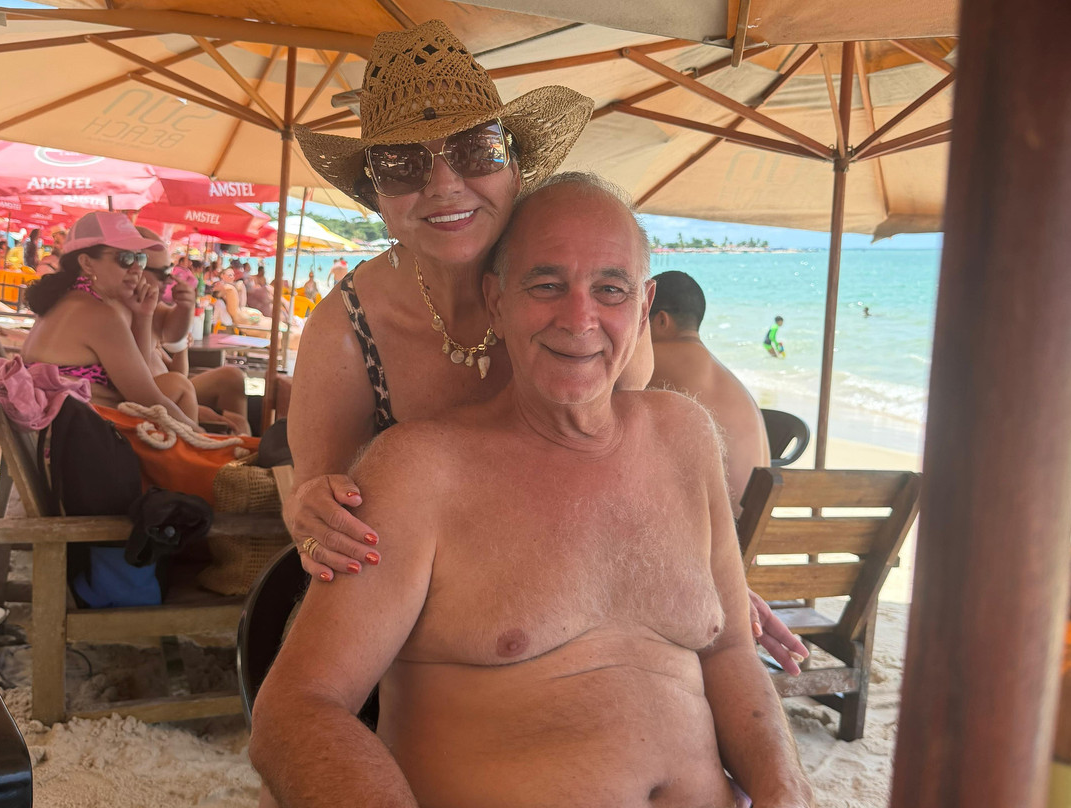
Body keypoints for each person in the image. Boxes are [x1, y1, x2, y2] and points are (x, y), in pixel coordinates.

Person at [250, 174, 814, 808]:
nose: (579, 319)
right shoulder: (419, 472)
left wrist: (785, 791)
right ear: (496, 301)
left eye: (611, 289)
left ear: (644, 306)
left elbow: (732, 650)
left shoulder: (685, 438)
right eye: (546, 285)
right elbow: (297, 707)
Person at [283, 19, 801, 675]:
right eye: (401, 164)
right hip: (420, 634)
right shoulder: (346, 330)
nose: (444, 185)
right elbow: (317, 517)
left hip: (574, 597)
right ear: (373, 194)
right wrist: (309, 517)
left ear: (516, 165)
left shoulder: (586, 311)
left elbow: (626, 478)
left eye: (476, 151)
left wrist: (703, 581)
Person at [20, 211, 201, 430]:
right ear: (87, 263)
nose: (136, 269)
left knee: (178, 387)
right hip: (78, 441)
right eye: (125, 259)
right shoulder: (99, 314)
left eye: (140, 259)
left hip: (61, 436)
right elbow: (147, 398)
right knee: (180, 389)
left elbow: (140, 381)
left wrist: (143, 316)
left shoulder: (67, 300)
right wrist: (203, 437)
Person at [648, 270, 771, 516]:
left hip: (716, 534)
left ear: (661, 320)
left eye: (639, 319)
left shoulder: (654, 359)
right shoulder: (725, 376)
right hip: (752, 532)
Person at [135, 226, 251, 435]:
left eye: (170, 272)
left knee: (232, 378)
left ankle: (237, 445)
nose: (169, 280)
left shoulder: (149, 309)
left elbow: (178, 372)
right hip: (151, 400)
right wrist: (196, 414)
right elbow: (145, 384)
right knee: (187, 388)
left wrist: (185, 312)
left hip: (169, 390)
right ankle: (228, 443)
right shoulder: (126, 314)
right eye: (162, 273)